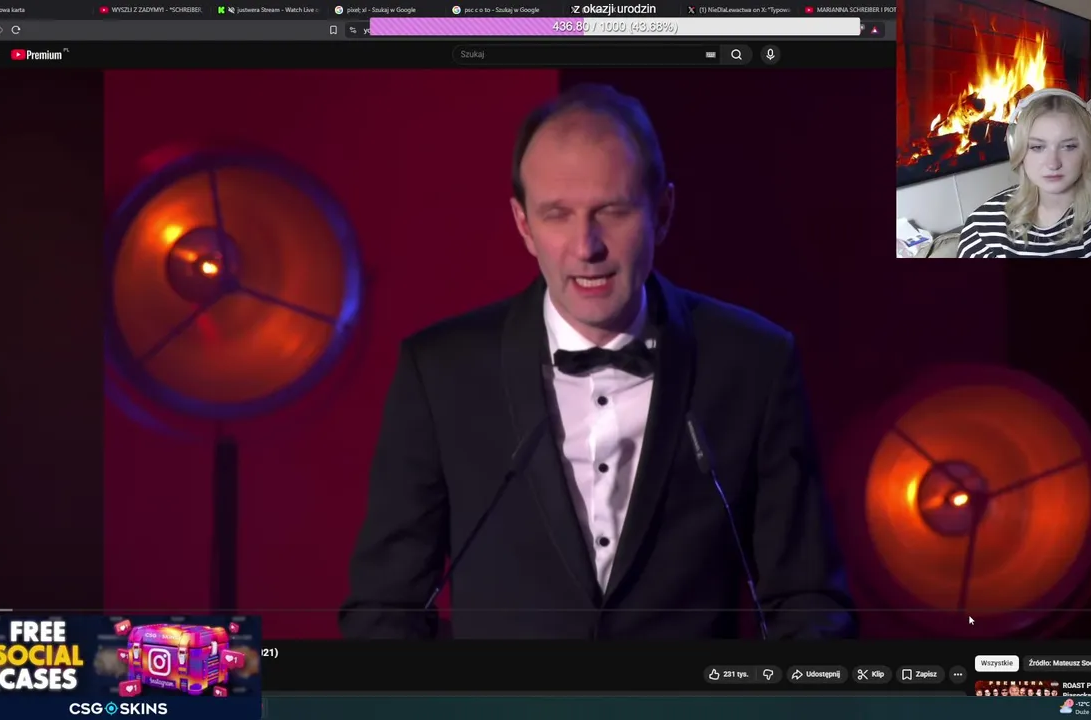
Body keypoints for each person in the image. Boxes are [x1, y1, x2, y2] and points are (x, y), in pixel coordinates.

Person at [340, 84, 855, 640]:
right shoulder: (441, 371)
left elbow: (807, 601)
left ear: (662, 213)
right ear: (523, 225)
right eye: (557, 215)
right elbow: (384, 610)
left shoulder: (753, 362)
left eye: (611, 211)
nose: (586, 247)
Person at [957, 89, 1091, 258]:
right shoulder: (982, 228)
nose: (1053, 163)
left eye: (1069, 146)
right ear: (1017, 150)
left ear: (1089, 149)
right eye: (1037, 147)